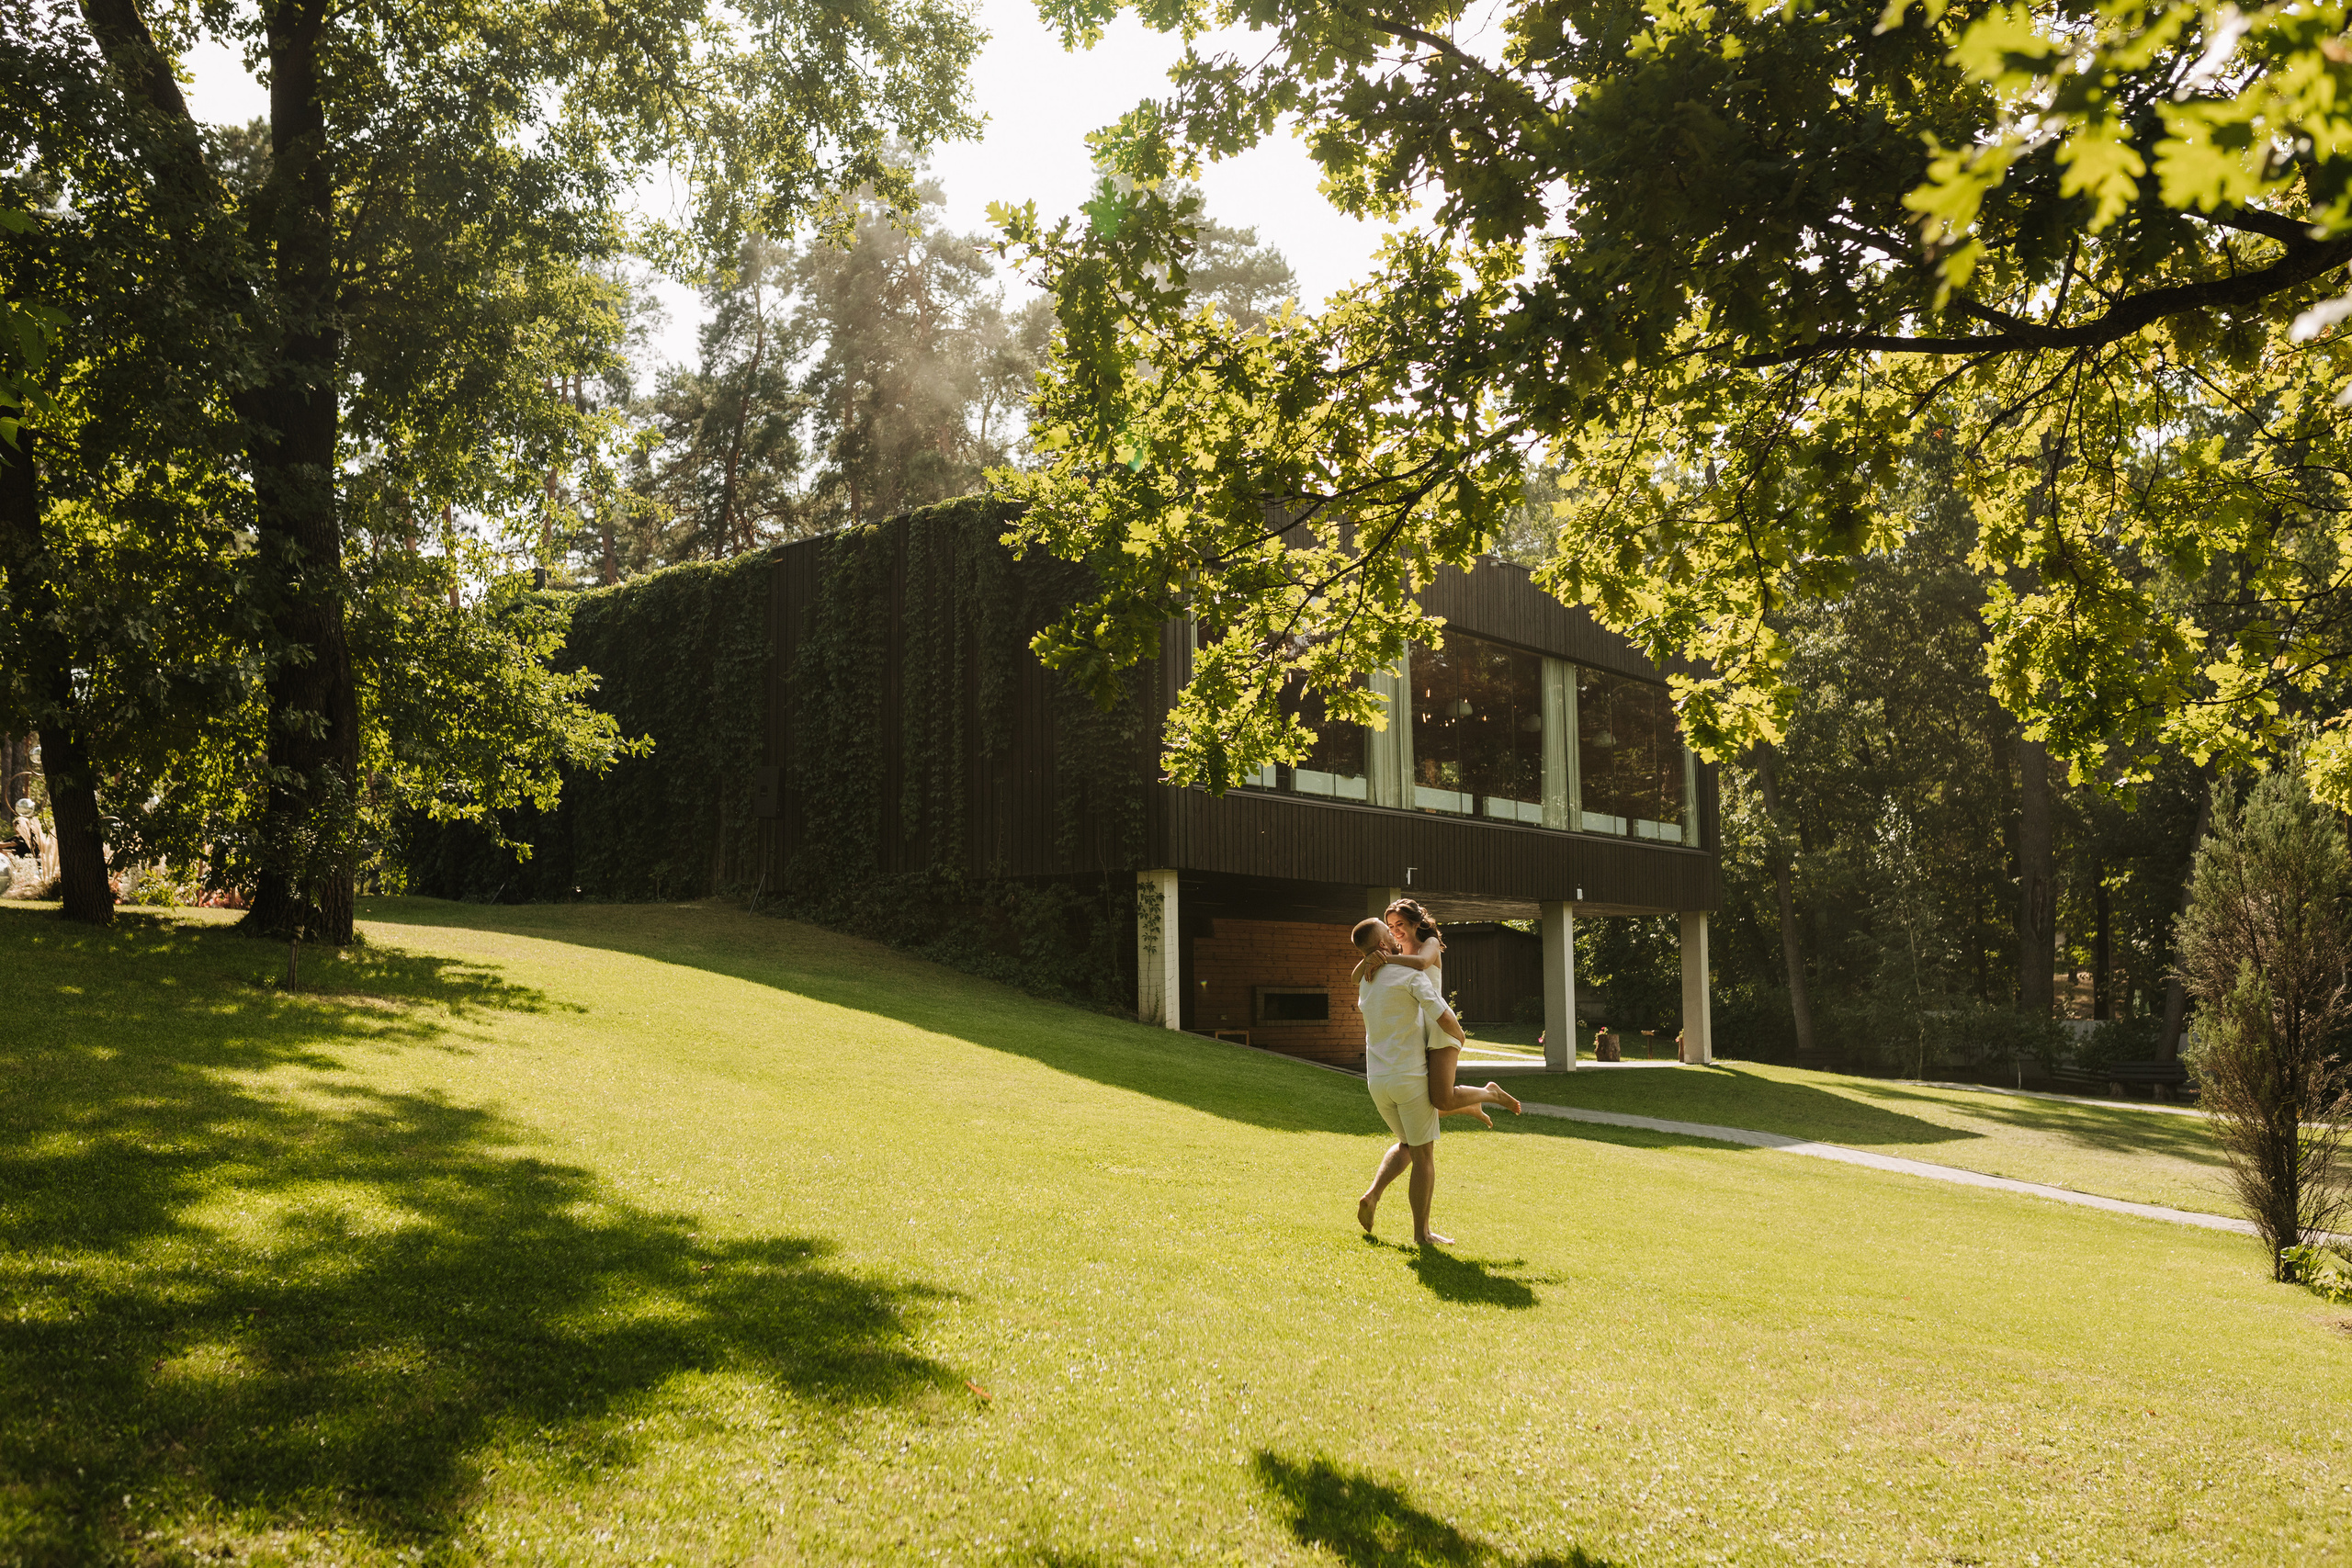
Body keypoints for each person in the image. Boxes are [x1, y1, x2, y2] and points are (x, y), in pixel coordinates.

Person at [1350, 915, 1517, 1247]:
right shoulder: (1408, 974)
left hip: (1377, 1082)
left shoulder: (1366, 981)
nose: (1394, 933)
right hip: (1408, 1077)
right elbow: (1441, 1013)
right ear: (1383, 945)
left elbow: (1362, 968)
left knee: (1409, 1144)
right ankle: (1422, 1235)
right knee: (1423, 1155)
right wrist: (1460, 1038)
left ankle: (1371, 1196)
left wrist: (1370, 958)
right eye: (1388, 931)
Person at [1353, 898, 1521, 1128]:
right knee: (1425, 1102)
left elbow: (1422, 963)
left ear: (1415, 923)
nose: (1395, 931)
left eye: (1400, 924)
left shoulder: (1428, 943)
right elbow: (1354, 978)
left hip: (1439, 1023)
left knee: (1442, 1098)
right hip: (1417, 1030)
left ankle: (1490, 1093)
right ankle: (1469, 1106)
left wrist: (1385, 959)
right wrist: (1370, 958)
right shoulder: (1397, 950)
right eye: (1390, 927)